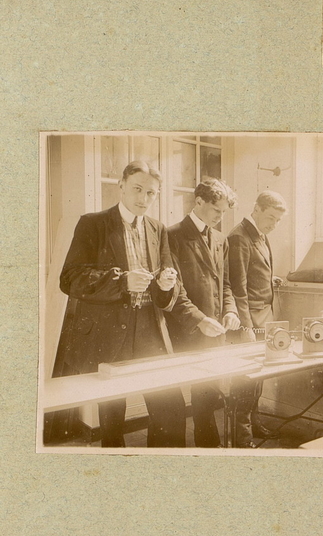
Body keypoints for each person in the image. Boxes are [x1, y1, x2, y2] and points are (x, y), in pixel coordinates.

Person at [51, 160, 185, 447]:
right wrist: (122, 281)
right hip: (109, 334)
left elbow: (166, 287)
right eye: (137, 189)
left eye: (151, 193)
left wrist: (166, 284)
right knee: (112, 421)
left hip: (149, 331)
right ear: (121, 187)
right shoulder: (93, 223)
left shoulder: (157, 228)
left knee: (170, 409)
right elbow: (70, 279)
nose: (143, 199)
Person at [165, 179, 241, 447]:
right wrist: (199, 320)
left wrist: (230, 311)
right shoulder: (172, 235)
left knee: (206, 399)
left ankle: (208, 450)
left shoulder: (221, 239)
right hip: (185, 330)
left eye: (223, 213)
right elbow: (175, 291)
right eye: (216, 211)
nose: (221, 218)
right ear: (198, 202)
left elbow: (226, 284)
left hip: (215, 332)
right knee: (171, 404)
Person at [227, 190, 288, 446]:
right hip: (249, 321)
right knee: (245, 380)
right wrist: (245, 326)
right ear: (257, 208)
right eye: (271, 218)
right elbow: (237, 285)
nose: (273, 225)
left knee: (258, 377)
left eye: (278, 221)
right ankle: (242, 436)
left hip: (264, 317)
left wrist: (268, 281)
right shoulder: (239, 236)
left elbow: (254, 271)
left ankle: (254, 424)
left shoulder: (260, 236)